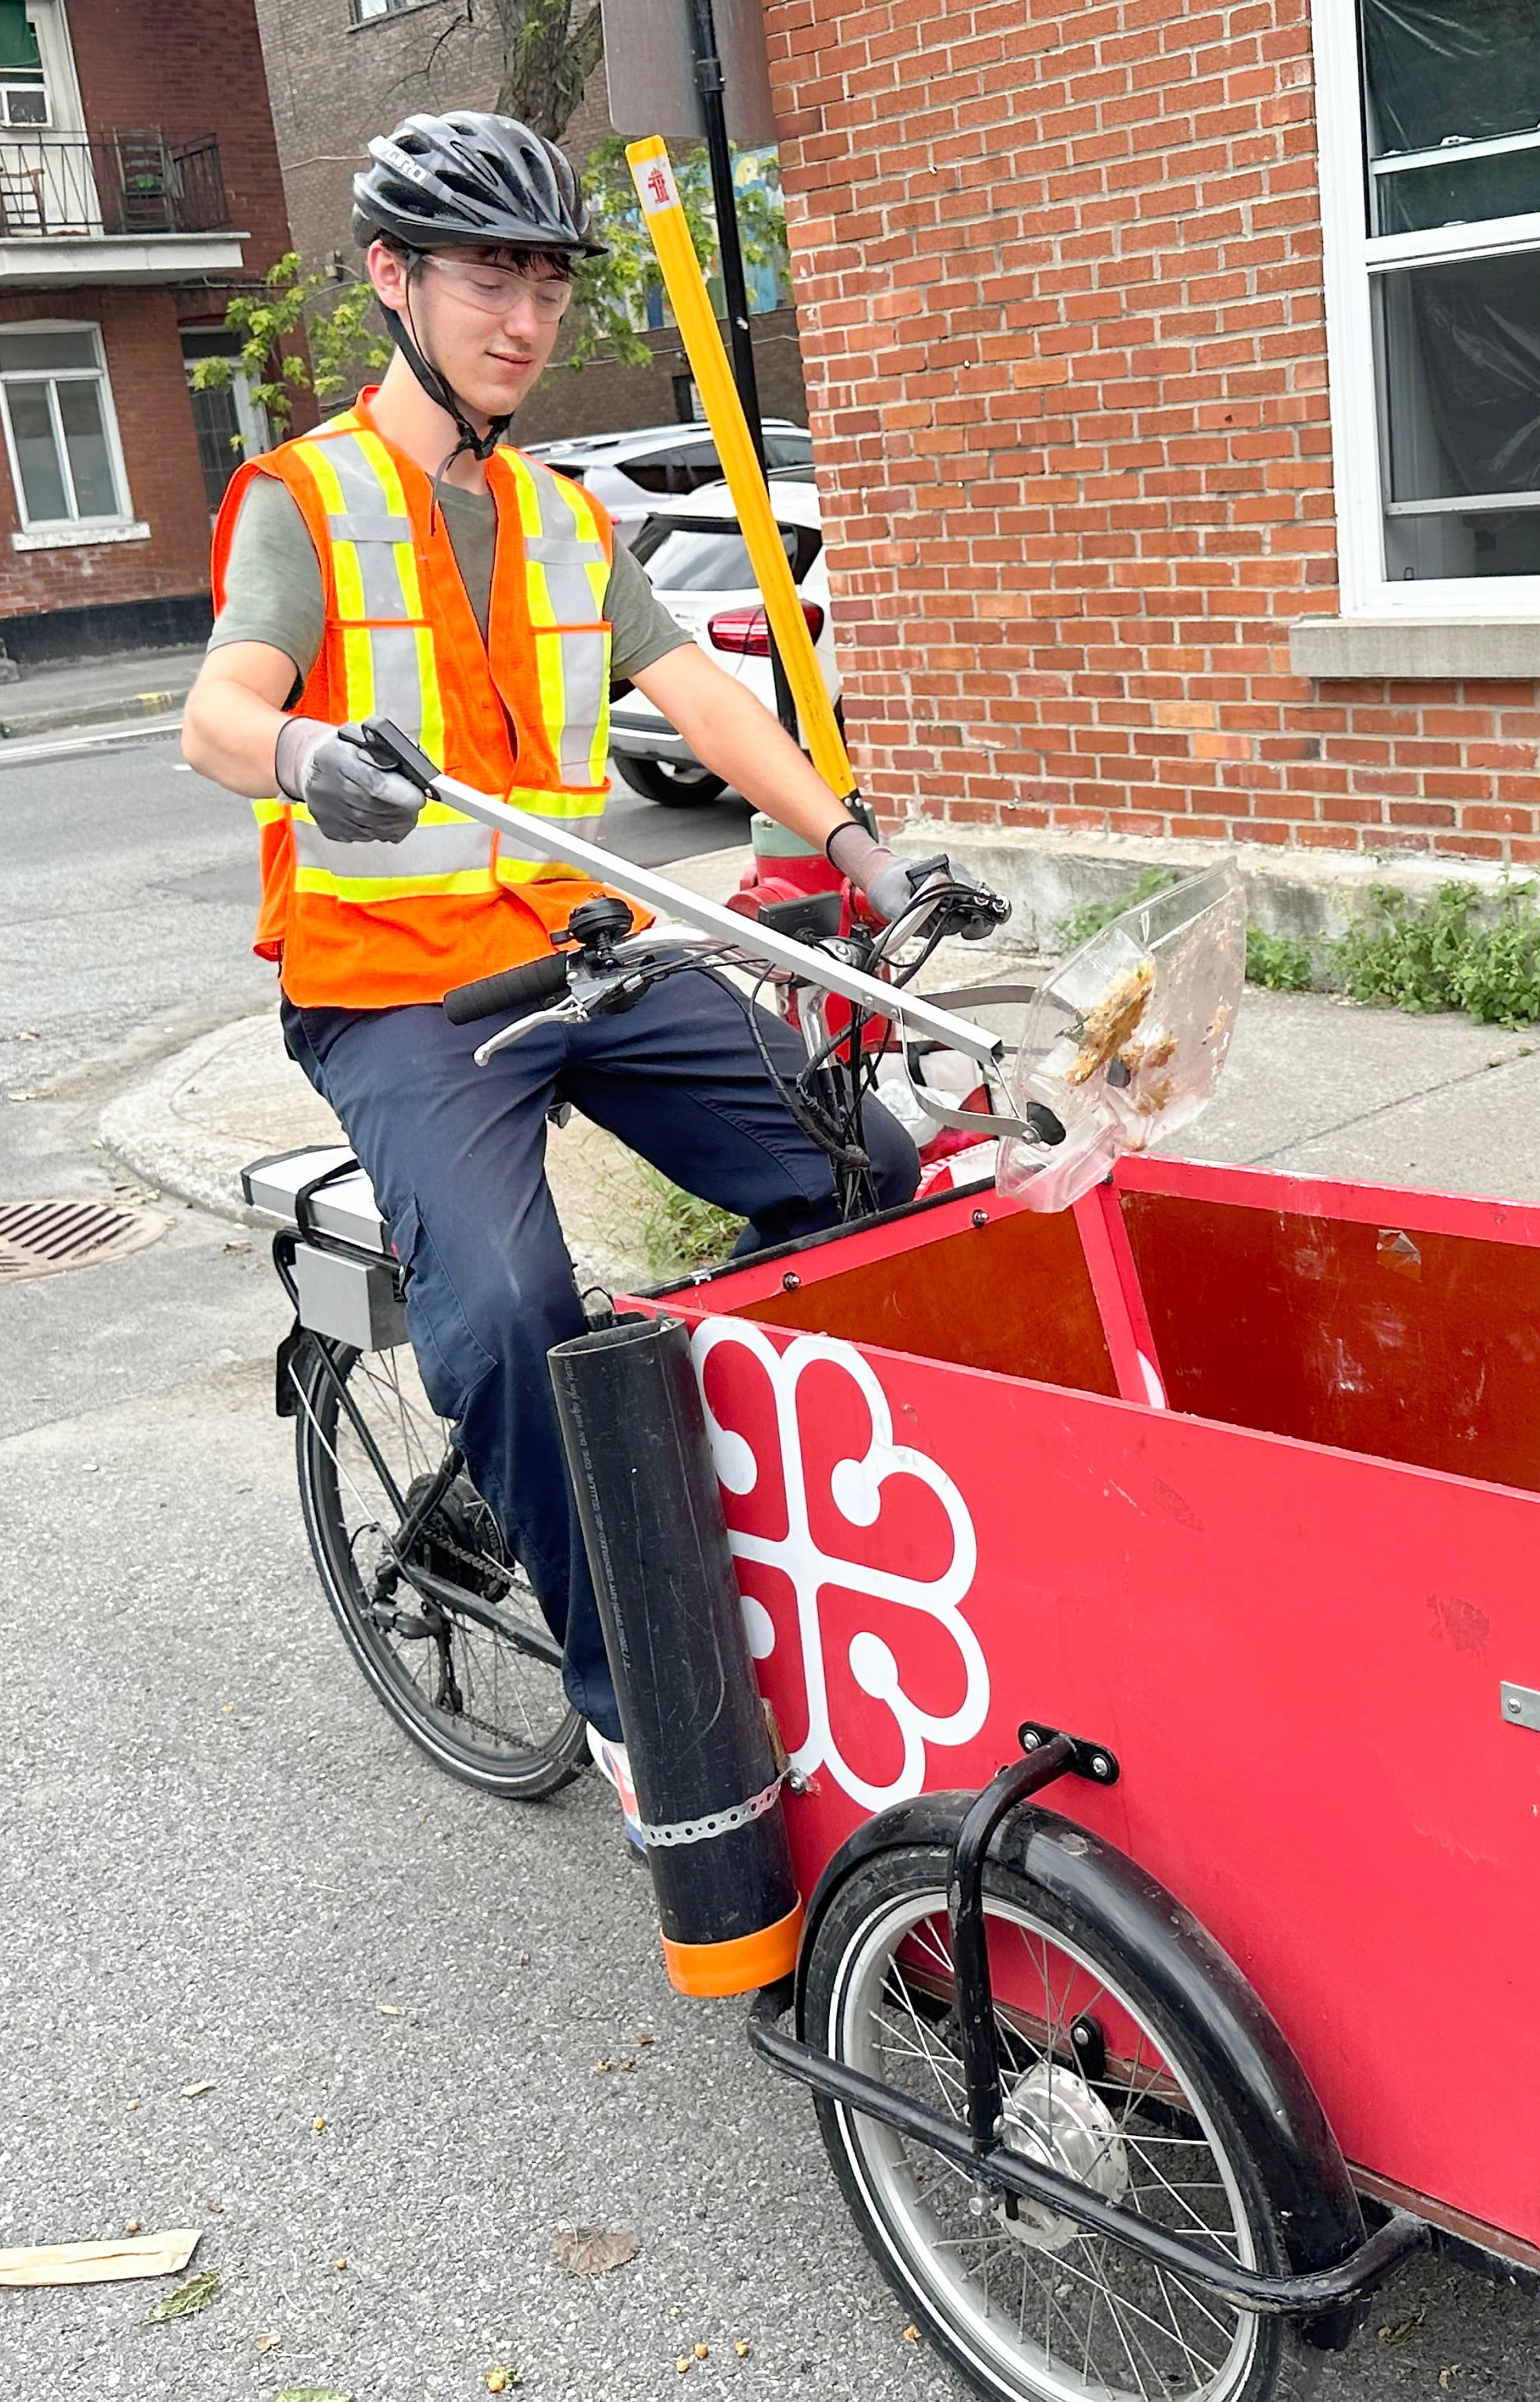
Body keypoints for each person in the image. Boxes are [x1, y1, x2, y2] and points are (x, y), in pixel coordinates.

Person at [182, 110, 960, 1771]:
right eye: (487, 278)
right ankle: (642, 1713)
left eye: (546, 283)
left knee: (866, 1176)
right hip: (399, 1002)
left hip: (580, 960)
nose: (524, 320)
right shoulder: (300, 500)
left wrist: (855, 847)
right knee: (513, 1303)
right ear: (395, 278)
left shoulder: (558, 515)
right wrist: (309, 756)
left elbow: (704, 701)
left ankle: (704, 1477)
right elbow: (216, 714)